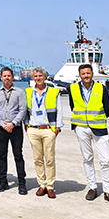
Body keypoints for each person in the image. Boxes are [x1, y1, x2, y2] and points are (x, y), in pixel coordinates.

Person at [69, 64, 109, 205]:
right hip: (81, 128)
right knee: (87, 158)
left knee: (106, 159)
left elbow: (107, 109)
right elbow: (73, 106)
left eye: (88, 73)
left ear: (92, 73)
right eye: (83, 73)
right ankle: (92, 188)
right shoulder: (72, 89)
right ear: (80, 75)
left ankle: (108, 191)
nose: (86, 75)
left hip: (99, 128)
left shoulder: (101, 88)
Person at [25, 67, 63, 199]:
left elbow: (59, 110)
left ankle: (50, 186)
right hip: (33, 129)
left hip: (48, 129)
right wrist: (27, 126)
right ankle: (42, 184)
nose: (38, 78)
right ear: (32, 78)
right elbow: (25, 110)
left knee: (50, 159)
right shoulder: (28, 92)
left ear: (45, 76)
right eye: (35, 76)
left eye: (40, 76)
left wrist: (57, 128)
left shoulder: (53, 92)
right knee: (37, 159)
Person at [0, 66, 27, 195]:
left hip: (15, 128)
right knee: (2, 155)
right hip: (1, 128)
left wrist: (13, 123)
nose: (7, 78)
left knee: (18, 155)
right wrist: (2, 124)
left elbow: (23, 110)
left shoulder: (19, 92)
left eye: (9, 76)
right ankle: (2, 181)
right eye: (4, 76)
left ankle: (22, 183)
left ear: (12, 77)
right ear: (1, 77)